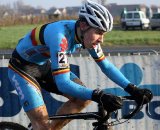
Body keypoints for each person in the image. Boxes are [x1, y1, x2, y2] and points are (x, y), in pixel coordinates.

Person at [8, 0, 153, 130]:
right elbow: (63, 83)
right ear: (83, 25)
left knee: (83, 98)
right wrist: (99, 95)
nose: (101, 39)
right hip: (22, 69)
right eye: (99, 32)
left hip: (42, 64)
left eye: (104, 34)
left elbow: (106, 66)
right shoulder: (60, 37)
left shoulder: (87, 35)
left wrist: (132, 89)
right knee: (42, 126)